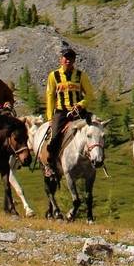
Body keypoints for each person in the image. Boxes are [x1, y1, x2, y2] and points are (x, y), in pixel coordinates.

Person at [43, 47, 93, 179]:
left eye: (71, 58)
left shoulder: (81, 75)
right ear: (61, 59)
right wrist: (49, 117)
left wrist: (81, 104)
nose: (68, 60)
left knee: (94, 129)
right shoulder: (54, 76)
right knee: (54, 138)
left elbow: (90, 94)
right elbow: (50, 97)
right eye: (66, 57)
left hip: (78, 111)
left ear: (74, 60)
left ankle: (97, 158)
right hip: (61, 112)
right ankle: (50, 164)